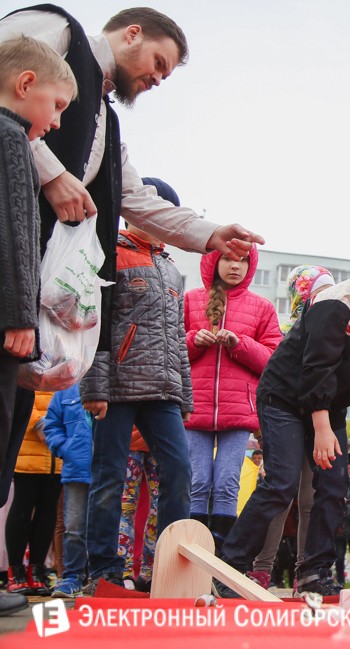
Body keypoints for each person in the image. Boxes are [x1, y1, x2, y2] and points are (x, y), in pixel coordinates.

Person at [0, 7, 263, 515]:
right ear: (132, 34)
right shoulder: (58, 30)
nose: (158, 80)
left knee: (6, 429)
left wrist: (210, 234)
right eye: (159, 63)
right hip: (11, 268)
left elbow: (135, 197)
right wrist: (53, 173)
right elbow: (5, 83)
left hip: (30, 287)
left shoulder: (107, 120)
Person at [219, 225, 350, 597]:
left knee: (332, 488)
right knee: (281, 483)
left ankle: (313, 572)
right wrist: (322, 428)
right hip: (286, 398)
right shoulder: (336, 301)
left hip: (331, 405)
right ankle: (229, 568)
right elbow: (317, 368)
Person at [79, 216, 194, 589]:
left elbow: (177, 335)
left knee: (180, 471)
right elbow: (94, 321)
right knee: (109, 477)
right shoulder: (111, 254)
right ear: (136, 215)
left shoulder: (170, 267)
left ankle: (168, 566)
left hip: (163, 392)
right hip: (117, 385)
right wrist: (94, 387)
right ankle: (104, 570)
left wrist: (185, 393)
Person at [0, 37, 74, 561]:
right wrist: (20, 316)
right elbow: (15, 237)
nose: (57, 122)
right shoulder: (12, 139)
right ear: (26, 84)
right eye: (57, 105)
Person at [184, 242, 282, 556]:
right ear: (214, 261)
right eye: (228, 258)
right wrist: (193, 341)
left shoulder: (262, 307)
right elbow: (169, 348)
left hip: (239, 411)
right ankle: (194, 557)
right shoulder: (190, 300)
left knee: (228, 483)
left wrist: (240, 344)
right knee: (197, 482)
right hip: (194, 408)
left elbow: (274, 359)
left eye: (242, 260)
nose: (235, 266)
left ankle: (221, 560)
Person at [248, 265, 330, 591]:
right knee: (278, 495)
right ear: (301, 294)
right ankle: (260, 569)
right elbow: (266, 383)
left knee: (311, 499)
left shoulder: (332, 332)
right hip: (283, 423)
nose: (326, 298)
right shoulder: (281, 333)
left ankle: (305, 572)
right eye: (319, 291)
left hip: (317, 426)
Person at [6, 391, 61, 597]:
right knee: (22, 506)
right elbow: (18, 395)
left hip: (57, 449)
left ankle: (37, 572)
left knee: (47, 512)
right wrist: (38, 422)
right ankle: (15, 573)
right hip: (29, 441)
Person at [43, 384, 91, 598]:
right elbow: (51, 425)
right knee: (74, 527)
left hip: (110, 469)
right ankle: (72, 577)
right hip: (76, 470)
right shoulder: (65, 390)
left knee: (108, 526)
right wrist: (66, 449)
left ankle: (103, 577)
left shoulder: (113, 383)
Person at [118, 428, 158, 592]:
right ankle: (126, 573)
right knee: (126, 506)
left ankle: (147, 572)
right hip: (133, 439)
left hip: (158, 440)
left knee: (158, 507)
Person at [334, 462, 350, 586]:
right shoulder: (337, 484)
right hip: (340, 525)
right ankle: (340, 582)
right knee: (339, 556)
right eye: (347, 468)